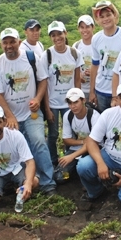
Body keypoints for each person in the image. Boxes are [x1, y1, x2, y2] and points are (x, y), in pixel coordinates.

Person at [0, 27, 57, 196]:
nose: (9, 45)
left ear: (19, 42)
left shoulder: (31, 58)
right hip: (10, 117)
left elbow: (43, 81)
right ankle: (22, 181)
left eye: (12, 41)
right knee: (16, 149)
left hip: (31, 113)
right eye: (5, 42)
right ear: (1, 44)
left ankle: (48, 183)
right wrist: (9, 116)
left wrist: (38, 99)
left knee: (38, 142)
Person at [41, 21, 82, 166]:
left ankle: (70, 160)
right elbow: (44, 83)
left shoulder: (75, 53)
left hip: (69, 102)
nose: (57, 37)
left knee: (70, 133)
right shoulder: (46, 55)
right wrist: (46, 108)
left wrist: (78, 100)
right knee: (53, 134)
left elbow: (77, 79)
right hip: (53, 102)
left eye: (59, 33)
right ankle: (52, 161)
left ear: (65, 33)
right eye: (53, 35)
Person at [89, 0, 121, 112]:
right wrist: (92, 91)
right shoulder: (96, 38)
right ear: (98, 20)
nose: (106, 19)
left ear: (114, 15)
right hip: (101, 90)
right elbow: (95, 65)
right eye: (102, 16)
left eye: (108, 15)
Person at [58, 88, 101, 178]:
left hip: (95, 149)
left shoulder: (94, 116)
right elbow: (66, 140)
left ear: (83, 100)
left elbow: (94, 143)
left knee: (85, 168)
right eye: (70, 103)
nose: (73, 106)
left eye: (76, 102)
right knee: (59, 176)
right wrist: (82, 142)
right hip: (77, 148)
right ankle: (76, 171)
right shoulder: (68, 116)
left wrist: (72, 156)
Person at [72, 15, 95, 99]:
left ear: (93, 27)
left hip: (96, 89)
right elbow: (73, 68)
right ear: (78, 29)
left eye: (87, 27)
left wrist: (94, 72)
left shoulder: (98, 45)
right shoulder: (76, 46)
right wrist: (79, 75)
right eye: (82, 27)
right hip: (80, 90)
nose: (84, 30)